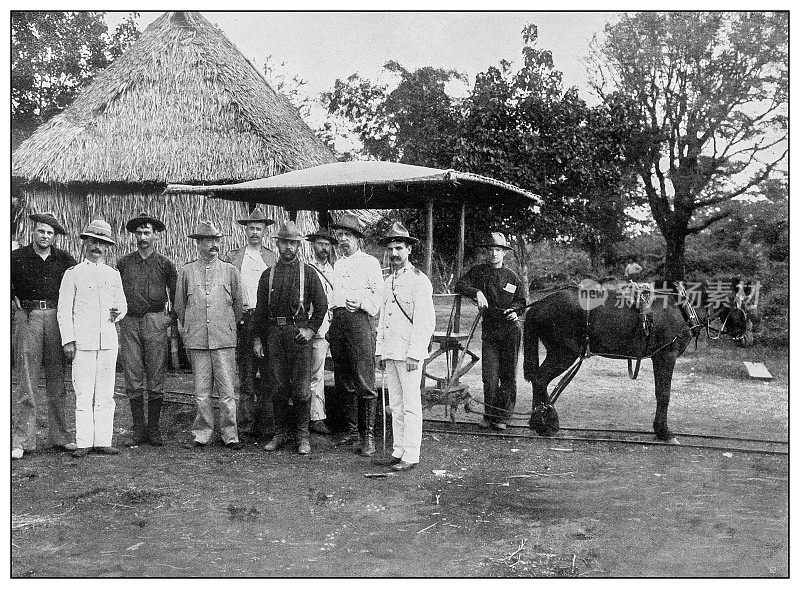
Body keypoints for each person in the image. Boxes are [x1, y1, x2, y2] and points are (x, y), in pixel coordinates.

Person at [254, 222, 328, 455]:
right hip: (274, 335)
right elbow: (260, 311)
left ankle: (302, 436)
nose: (288, 247)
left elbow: (322, 305)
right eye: (284, 242)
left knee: (302, 389)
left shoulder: (309, 273)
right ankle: (280, 433)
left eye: (293, 243)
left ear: (298, 246)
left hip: (299, 335)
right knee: (277, 387)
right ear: (277, 244)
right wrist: (257, 339)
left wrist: (310, 330)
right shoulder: (268, 275)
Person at [57, 219, 128, 457]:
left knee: (106, 393)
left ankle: (102, 441)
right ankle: (84, 441)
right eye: (93, 242)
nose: (96, 247)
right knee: (84, 393)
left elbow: (122, 305)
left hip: (107, 341)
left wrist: (118, 313)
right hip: (83, 343)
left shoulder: (113, 274)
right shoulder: (73, 274)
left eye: (101, 243)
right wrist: (68, 340)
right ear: (85, 243)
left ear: (107, 247)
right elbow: (63, 310)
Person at [11, 212, 78, 460]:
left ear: (54, 236)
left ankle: (61, 437)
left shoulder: (64, 260)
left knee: (57, 381)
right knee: (26, 381)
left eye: (50, 233)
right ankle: (22, 440)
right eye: (41, 231)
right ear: (34, 231)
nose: (45, 236)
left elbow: (77, 286)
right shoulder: (16, 257)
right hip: (27, 317)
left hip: (55, 318)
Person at [175, 221, 244, 450]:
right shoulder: (186, 271)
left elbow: (238, 306)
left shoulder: (230, 271)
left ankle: (230, 435)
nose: (213, 245)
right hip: (197, 341)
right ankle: (202, 433)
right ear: (198, 243)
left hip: (223, 340)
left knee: (227, 392)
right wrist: (192, 329)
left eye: (216, 240)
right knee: (201, 393)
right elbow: (179, 306)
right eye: (207, 240)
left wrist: (224, 326)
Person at [373, 222, 436, 472]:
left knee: (411, 405)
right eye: (391, 249)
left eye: (399, 248)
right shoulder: (387, 281)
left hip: (408, 354)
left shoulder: (419, 281)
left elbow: (425, 321)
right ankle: (398, 450)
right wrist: (380, 351)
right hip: (390, 352)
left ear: (409, 250)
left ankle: (411, 453)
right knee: (395, 405)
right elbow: (383, 319)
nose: (395, 254)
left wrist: (415, 353)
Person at [116, 212, 178, 447]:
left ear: (155, 235)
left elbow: (177, 295)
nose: (143, 237)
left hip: (155, 322)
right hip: (130, 322)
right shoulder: (123, 263)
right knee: (132, 375)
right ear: (134, 235)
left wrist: (169, 319)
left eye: (147, 232)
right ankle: (138, 429)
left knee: (155, 374)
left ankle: (153, 429)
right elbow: (115, 293)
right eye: (139, 233)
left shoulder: (165, 264)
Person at [455, 232, 526, 430]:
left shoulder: (512, 277)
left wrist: (515, 311)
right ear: (487, 252)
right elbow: (460, 284)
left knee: (508, 375)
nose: (494, 254)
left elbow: (521, 301)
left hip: (510, 330)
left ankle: (502, 417)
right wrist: (476, 292)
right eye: (491, 250)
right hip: (490, 331)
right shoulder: (479, 272)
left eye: (498, 250)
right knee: (490, 375)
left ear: (504, 253)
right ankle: (489, 415)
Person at [326, 213, 384, 456]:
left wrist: (361, 302)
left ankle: (367, 435)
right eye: (339, 236)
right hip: (339, 323)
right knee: (344, 380)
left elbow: (379, 296)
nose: (342, 240)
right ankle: (350, 431)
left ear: (357, 238)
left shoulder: (370, 263)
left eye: (347, 235)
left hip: (361, 323)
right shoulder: (338, 265)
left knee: (364, 380)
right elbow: (334, 296)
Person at [222, 208, 277, 440]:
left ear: (264, 231)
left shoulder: (273, 258)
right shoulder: (233, 257)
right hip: (244, 321)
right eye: (251, 228)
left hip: (267, 321)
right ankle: (244, 425)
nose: (255, 232)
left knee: (268, 376)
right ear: (245, 230)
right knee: (245, 377)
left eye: (259, 228)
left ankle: (266, 426)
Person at [305, 228, 338, 435]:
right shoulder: (307, 270)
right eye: (320, 244)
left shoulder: (336, 271)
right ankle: (316, 417)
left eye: (327, 244)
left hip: (334, 329)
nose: (324, 248)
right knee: (314, 374)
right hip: (316, 328)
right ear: (313, 245)